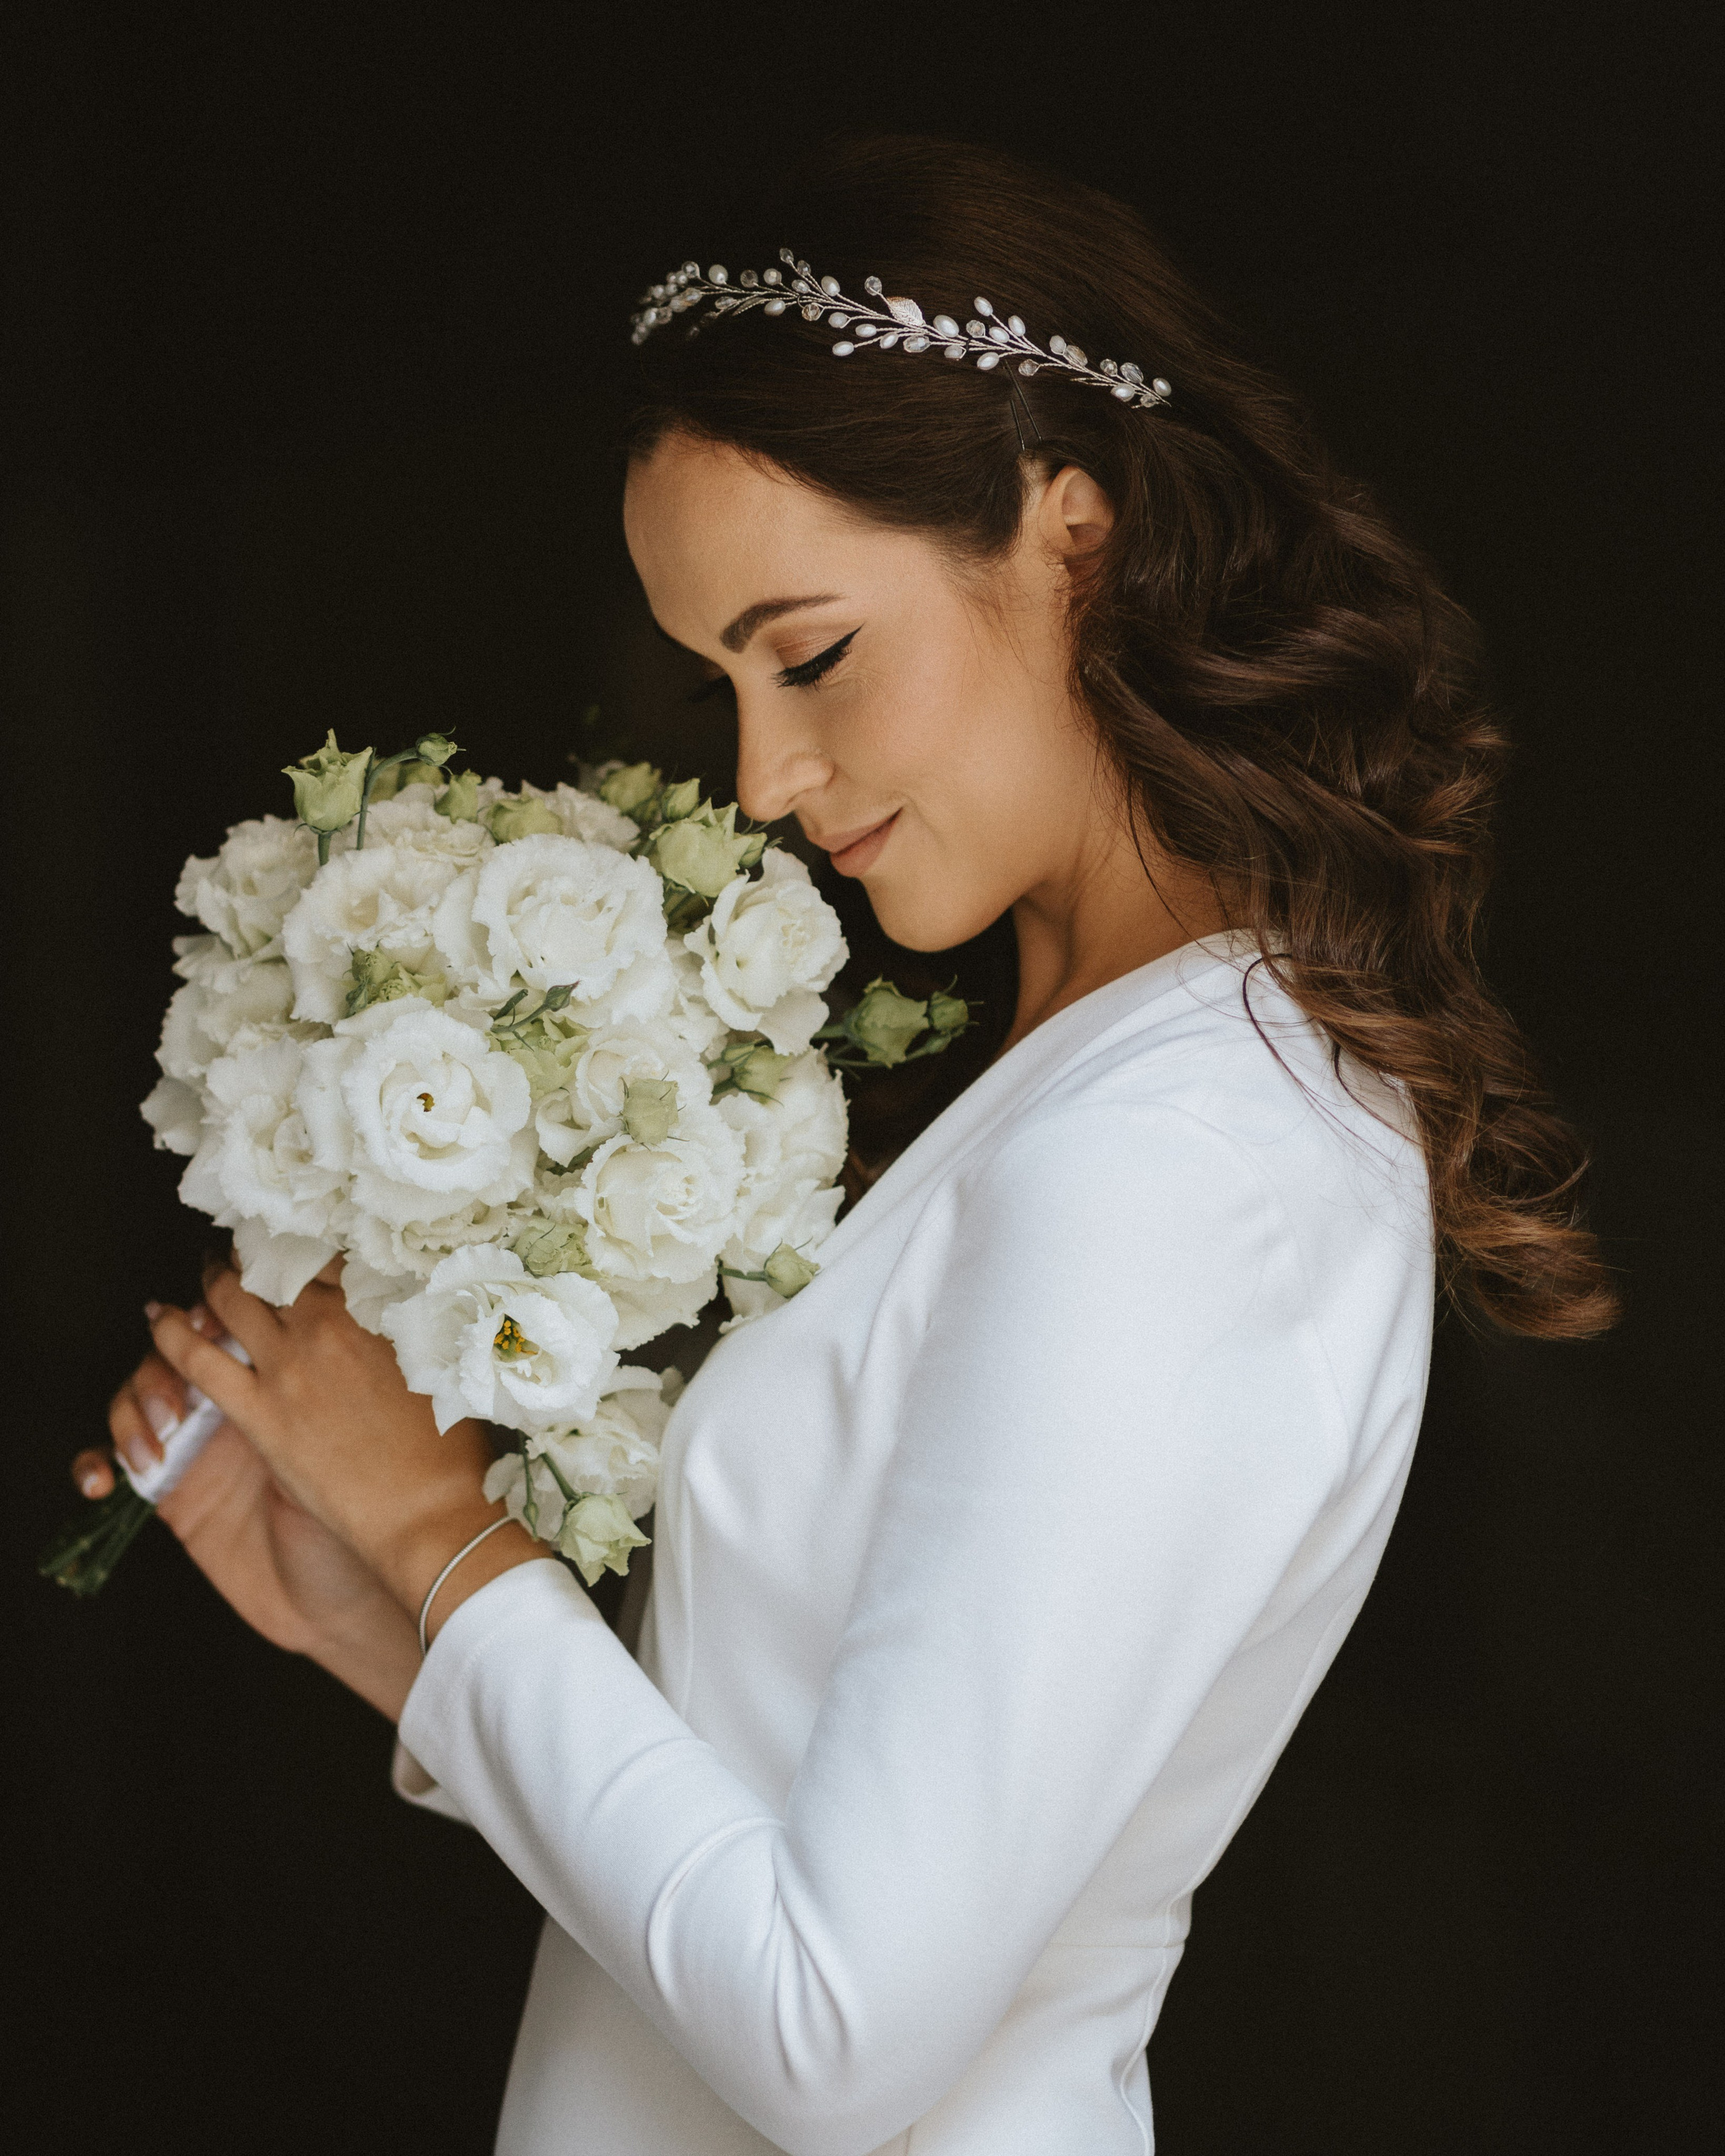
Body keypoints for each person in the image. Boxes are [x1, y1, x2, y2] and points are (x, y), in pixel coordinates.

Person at [79, 136, 1616, 2155]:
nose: (765, 775)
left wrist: (439, 1542)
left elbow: (837, 2031)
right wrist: (385, 1627)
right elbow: (818, 1840)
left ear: (1080, 536)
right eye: (721, 678)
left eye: (809, 656)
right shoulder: (1070, 1085)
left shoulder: (1176, 1163)